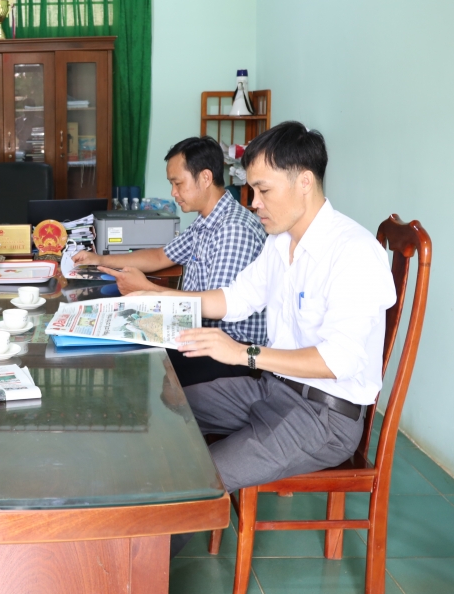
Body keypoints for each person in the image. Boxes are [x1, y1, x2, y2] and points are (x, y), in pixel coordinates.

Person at [131, 122, 397, 497]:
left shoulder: (353, 252)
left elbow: (340, 360)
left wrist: (244, 353)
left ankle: (161, 521)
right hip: (273, 390)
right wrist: (155, 297)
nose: (253, 202)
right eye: (253, 190)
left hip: (324, 417)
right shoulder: (280, 242)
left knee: (197, 478)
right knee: (168, 405)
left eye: (263, 190)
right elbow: (235, 299)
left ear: (304, 182)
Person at [73, 136, 268, 386]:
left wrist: (147, 290)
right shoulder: (205, 221)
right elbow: (160, 255)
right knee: (125, 344)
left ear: (205, 178)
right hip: (203, 336)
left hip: (231, 351)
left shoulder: (233, 229)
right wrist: (100, 258)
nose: (173, 193)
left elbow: (215, 308)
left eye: (178, 183)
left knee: (137, 364)